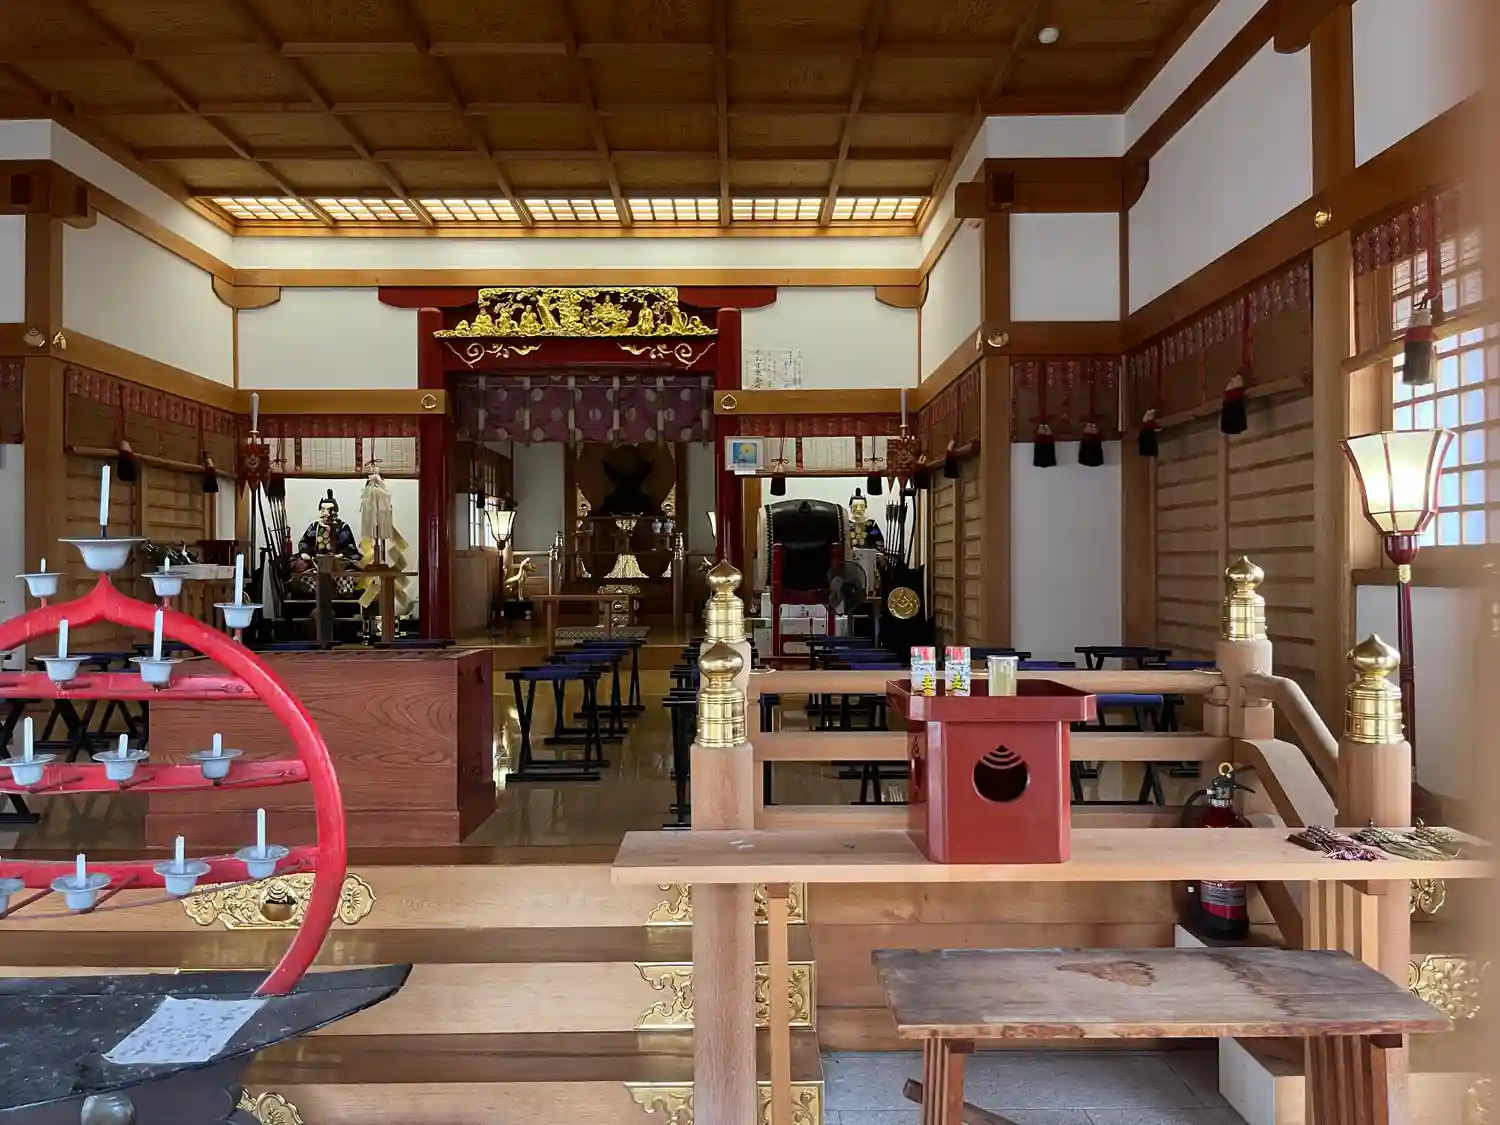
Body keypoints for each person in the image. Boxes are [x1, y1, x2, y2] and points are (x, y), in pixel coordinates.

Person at [295, 490, 361, 568]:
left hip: (337, 561)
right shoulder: (314, 526)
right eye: (323, 510)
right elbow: (304, 542)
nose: (326, 513)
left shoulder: (342, 527)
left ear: (335, 511)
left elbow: (349, 546)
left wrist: (342, 555)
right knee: (298, 563)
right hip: (316, 560)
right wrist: (305, 552)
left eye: (329, 510)